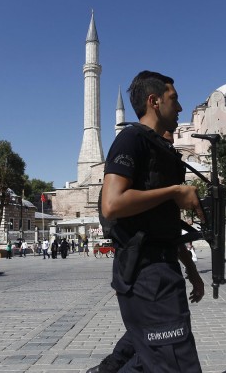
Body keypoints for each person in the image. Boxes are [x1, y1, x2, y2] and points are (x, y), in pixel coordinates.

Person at [88, 71, 205, 373]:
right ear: (154, 101)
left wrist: (191, 269)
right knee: (175, 364)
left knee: (150, 358)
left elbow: (165, 223)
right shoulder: (131, 139)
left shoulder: (162, 152)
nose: (180, 107)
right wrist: (176, 191)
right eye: (173, 99)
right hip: (146, 273)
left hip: (163, 269)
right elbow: (111, 204)